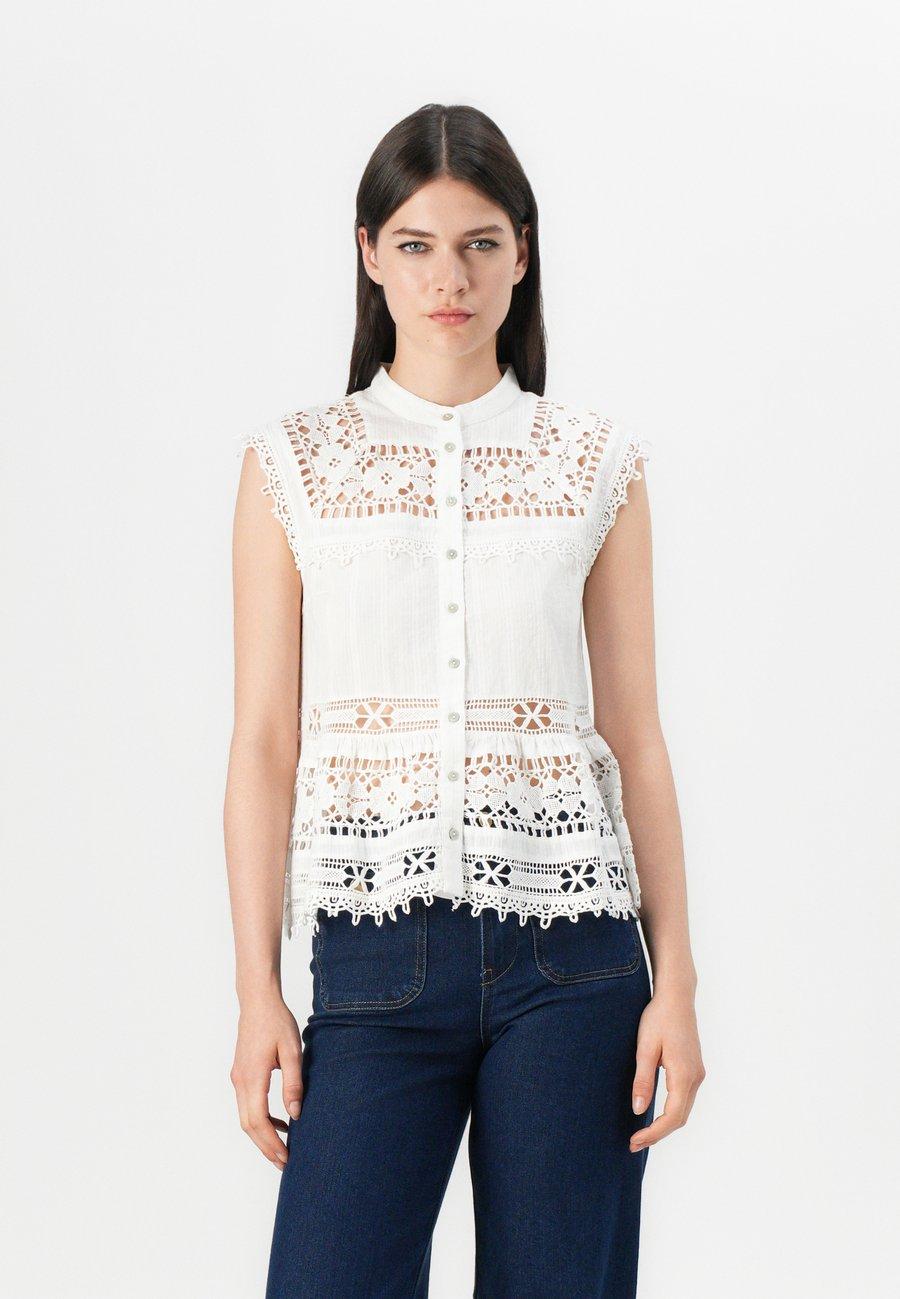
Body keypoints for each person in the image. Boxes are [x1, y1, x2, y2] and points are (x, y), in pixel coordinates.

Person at [224, 102, 705, 1299]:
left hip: (578, 964)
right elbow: (265, 743)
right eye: (419, 244)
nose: (450, 278)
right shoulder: (295, 465)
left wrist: (680, 986)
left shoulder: (593, 462)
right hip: (373, 957)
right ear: (369, 253)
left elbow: (636, 739)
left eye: (482, 243)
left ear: (522, 254)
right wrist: (254, 990)